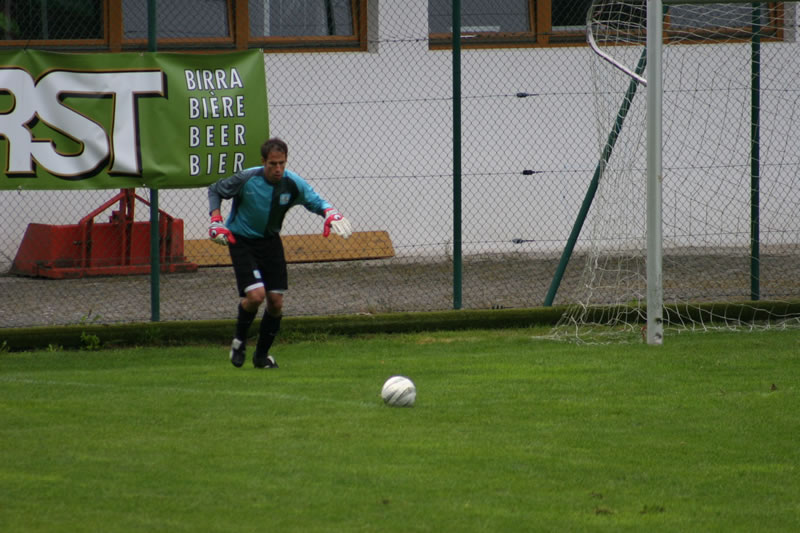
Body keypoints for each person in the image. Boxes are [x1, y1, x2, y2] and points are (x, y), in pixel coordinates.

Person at [207, 137, 353, 368]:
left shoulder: (292, 183)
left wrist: (330, 213)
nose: (278, 169)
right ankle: (238, 341)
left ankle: (261, 357)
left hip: (270, 242)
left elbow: (315, 201)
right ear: (263, 161)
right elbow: (215, 189)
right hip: (241, 240)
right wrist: (216, 219)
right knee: (256, 296)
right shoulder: (247, 178)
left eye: (282, 163)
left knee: (275, 303)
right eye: (273, 164)